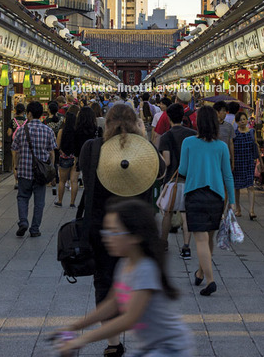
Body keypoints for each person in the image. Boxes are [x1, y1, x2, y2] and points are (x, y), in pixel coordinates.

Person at [78, 105, 166, 357]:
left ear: (106, 125)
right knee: (142, 280)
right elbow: (161, 173)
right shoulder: (147, 153)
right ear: (137, 124)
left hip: (102, 227)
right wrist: (145, 140)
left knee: (104, 281)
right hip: (137, 229)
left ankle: (113, 344)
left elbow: (86, 174)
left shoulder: (91, 149)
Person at [57, 199, 192, 357]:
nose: (107, 237)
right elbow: (112, 304)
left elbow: (129, 319)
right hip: (150, 346)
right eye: (106, 231)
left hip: (170, 347)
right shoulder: (125, 263)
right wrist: (74, 326)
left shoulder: (145, 269)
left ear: (135, 237)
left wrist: (82, 340)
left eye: (114, 232)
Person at [179, 106, 235, 296]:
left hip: (195, 195)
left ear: (198, 123)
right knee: (209, 237)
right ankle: (201, 272)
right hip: (216, 196)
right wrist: (232, 201)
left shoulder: (188, 142)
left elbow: (183, 170)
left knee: (200, 239)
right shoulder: (221, 146)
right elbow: (228, 175)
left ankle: (210, 280)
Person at [12, 101, 57, 237]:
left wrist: (15, 167)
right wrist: (51, 169)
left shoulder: (21, 131)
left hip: (24, 171)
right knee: (39, 202)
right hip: (41, 173)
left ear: (29, 114)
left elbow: (15, 150)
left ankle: (23, 222)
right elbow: (52, 152)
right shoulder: (48, 130)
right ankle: (35, 229)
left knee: (22, 197)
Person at [159, 103, 196, 256]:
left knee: (168, 212)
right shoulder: (192, 134)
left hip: (171, 180)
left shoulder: (166, 136)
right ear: (183, 117)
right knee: (186, 213)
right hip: (189, 179)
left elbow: (166, 162)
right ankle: (186, 247)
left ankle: (164, 243)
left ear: (168, 117)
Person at [233, 111, 264, 219]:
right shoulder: (234, 134)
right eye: (240, 120)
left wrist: (260, 161)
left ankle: (251, 211)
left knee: (250, 186)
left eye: (244, 119)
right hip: (237, 162)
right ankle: (238, 209)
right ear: (237, 122)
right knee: (236, 187)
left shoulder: (251, 132)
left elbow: (256, 146)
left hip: (249, 162)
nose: (243, 121)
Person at [7, 103, 26, 189]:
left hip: (14, 144)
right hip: (24, 145)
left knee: (15, 163)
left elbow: (9, 133)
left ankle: (16, 182)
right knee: (23, 162)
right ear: (24, 111)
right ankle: (23, 179)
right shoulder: (26, 121)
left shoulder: (13, 121)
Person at [213, 101, 235, 170]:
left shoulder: (229, 126)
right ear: (217, 112)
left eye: (226, 111)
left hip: (226, 157)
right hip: (214, 157)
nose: (225, 113)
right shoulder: (211, 126)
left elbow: (231, 143)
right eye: (223, 111)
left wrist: (233, 160)